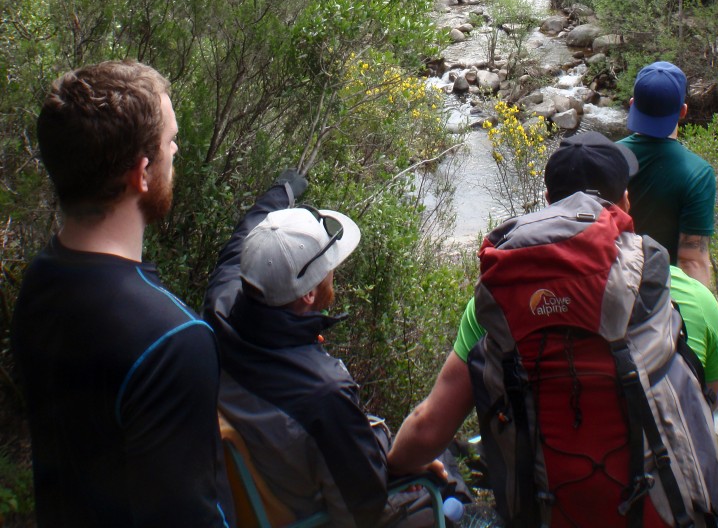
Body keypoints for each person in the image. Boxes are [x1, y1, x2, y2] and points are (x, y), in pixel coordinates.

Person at [387, 132, 718, 480]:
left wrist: (391, 469)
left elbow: (430, 427)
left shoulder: (502, 297)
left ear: (549, 200)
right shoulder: (690, 297)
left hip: (544, 504)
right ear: (626, 204)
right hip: (661, 508)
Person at [11, 60, 232, 528]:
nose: (177, 150)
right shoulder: (173, 340)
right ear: (142, 172)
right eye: (171, 140)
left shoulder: (39, 281)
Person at [204, 175, 464, 528]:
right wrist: (403, 468)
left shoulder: (221, 307)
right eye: (328, 267)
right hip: (315, 513)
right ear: (308, 294)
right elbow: (364, 509)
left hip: (271, 481)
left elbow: (242, 239)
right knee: (443, 466)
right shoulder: (323, 393)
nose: (333, 274)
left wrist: (284, 191)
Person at [620, 61, 716, 285]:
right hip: (661, 300)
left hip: (610, 290)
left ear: (632, 104)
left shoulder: (607, 157)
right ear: (683, 111)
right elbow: (693, 261)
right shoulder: (698, 174)